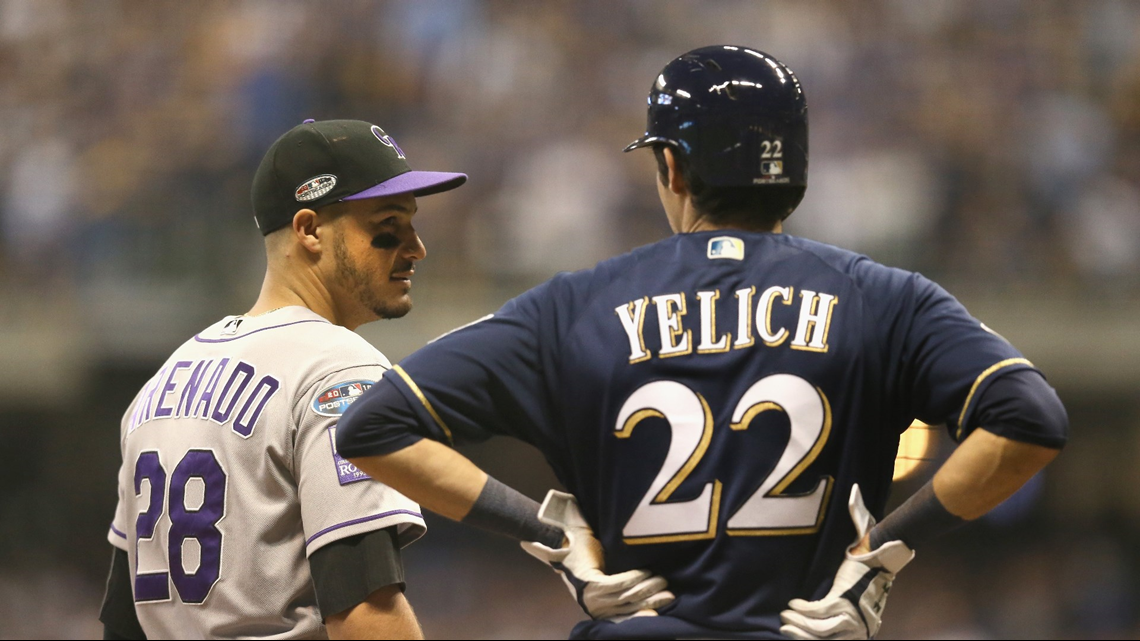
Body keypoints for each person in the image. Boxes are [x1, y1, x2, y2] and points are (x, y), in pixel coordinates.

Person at [334, 46, 1069, 640]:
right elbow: (1031, 418)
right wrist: (885, 553)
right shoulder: (884, 298)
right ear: (797, 170)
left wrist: (547, 528)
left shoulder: (571, 305)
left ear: (673, 167)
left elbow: (371, 425)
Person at [99, 118, 467, 639]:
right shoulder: (339, 369)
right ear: (310, 230)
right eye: (389, 223)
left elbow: (123, 618)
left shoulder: (163, 382)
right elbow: (363, 609)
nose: (415, 247)